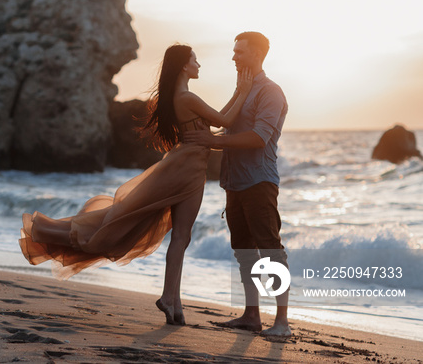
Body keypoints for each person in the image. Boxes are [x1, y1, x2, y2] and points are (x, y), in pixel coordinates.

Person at [19, 43, 252, 326]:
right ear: (183, 65)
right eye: (194, 60)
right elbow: (226, 120)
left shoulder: (183, 97)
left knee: (170, 232)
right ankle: (169, 299)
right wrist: (243, 90)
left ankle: (173, 301)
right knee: (169, 232)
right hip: (187, 170)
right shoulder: (187, 97)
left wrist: (239, 93)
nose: (198, 65)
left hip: (185, 166)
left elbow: (213, 129)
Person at [184, 31, 290, 336]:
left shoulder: (271, 92)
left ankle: (282, 321)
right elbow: (222, 124)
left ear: (256, 54)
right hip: (234, 182)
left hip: (259, 182)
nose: (234, 57)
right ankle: (251, 315)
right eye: (234, 52)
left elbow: (259, 138)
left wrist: (212, 142)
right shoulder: (243, 88)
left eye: (240, 52)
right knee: (243, 250)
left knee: (270, 250)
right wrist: (204, 140)